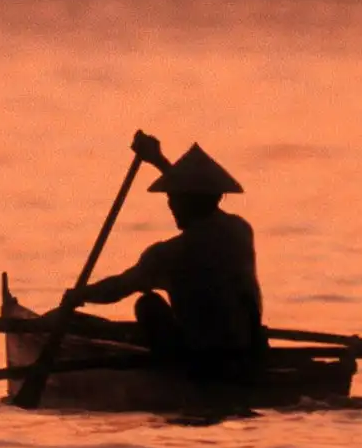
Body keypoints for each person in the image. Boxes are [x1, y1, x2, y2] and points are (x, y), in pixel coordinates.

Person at [71, 130, 266, 382]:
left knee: (148, 305)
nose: (170, 206)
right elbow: (193, 194)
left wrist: (79, 295)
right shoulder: (240, 230)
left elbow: (119, 288)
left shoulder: (169, 255)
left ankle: (175, 378)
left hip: (203, 362)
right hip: (248, 350)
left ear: (181, 201)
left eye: (172, 199)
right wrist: (158, 160)